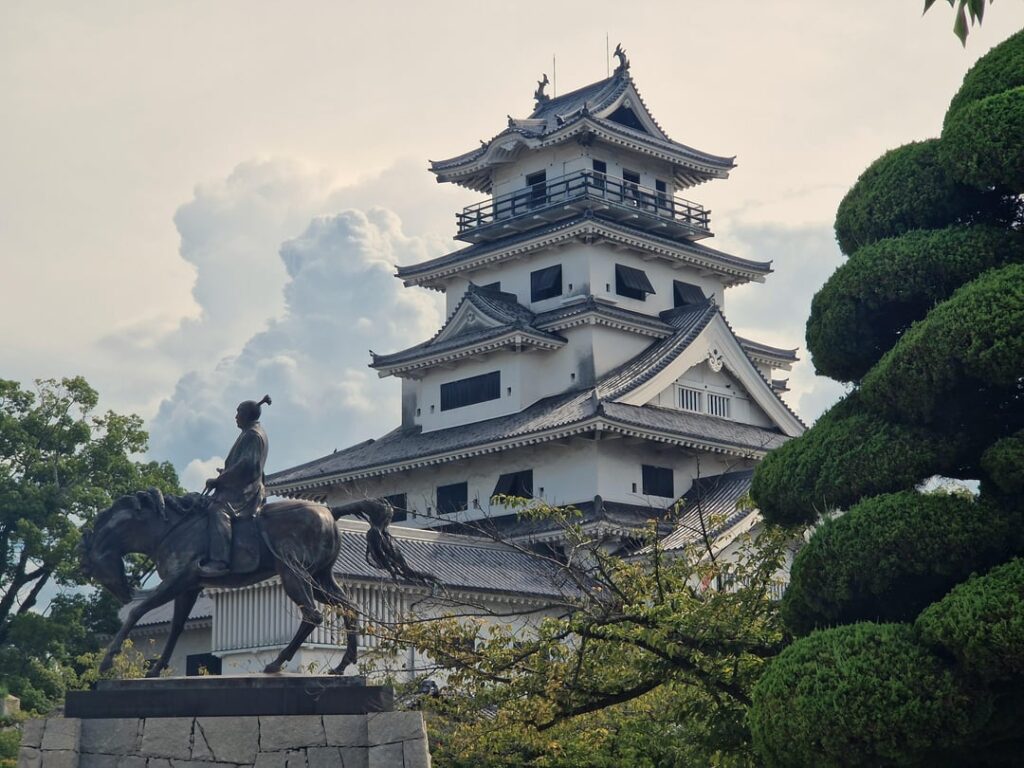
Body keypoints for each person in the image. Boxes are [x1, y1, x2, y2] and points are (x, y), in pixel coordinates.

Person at [197, 395, 271, 578]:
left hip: (246, 491)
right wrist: (225, 472)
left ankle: (220, 561)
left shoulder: (253, 435)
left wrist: (220, 480)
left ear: (247, 415)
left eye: (238, 412)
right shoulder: (249, 432)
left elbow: (247, 466)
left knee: (217, 510)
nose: (235, 416)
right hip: (239, 485)